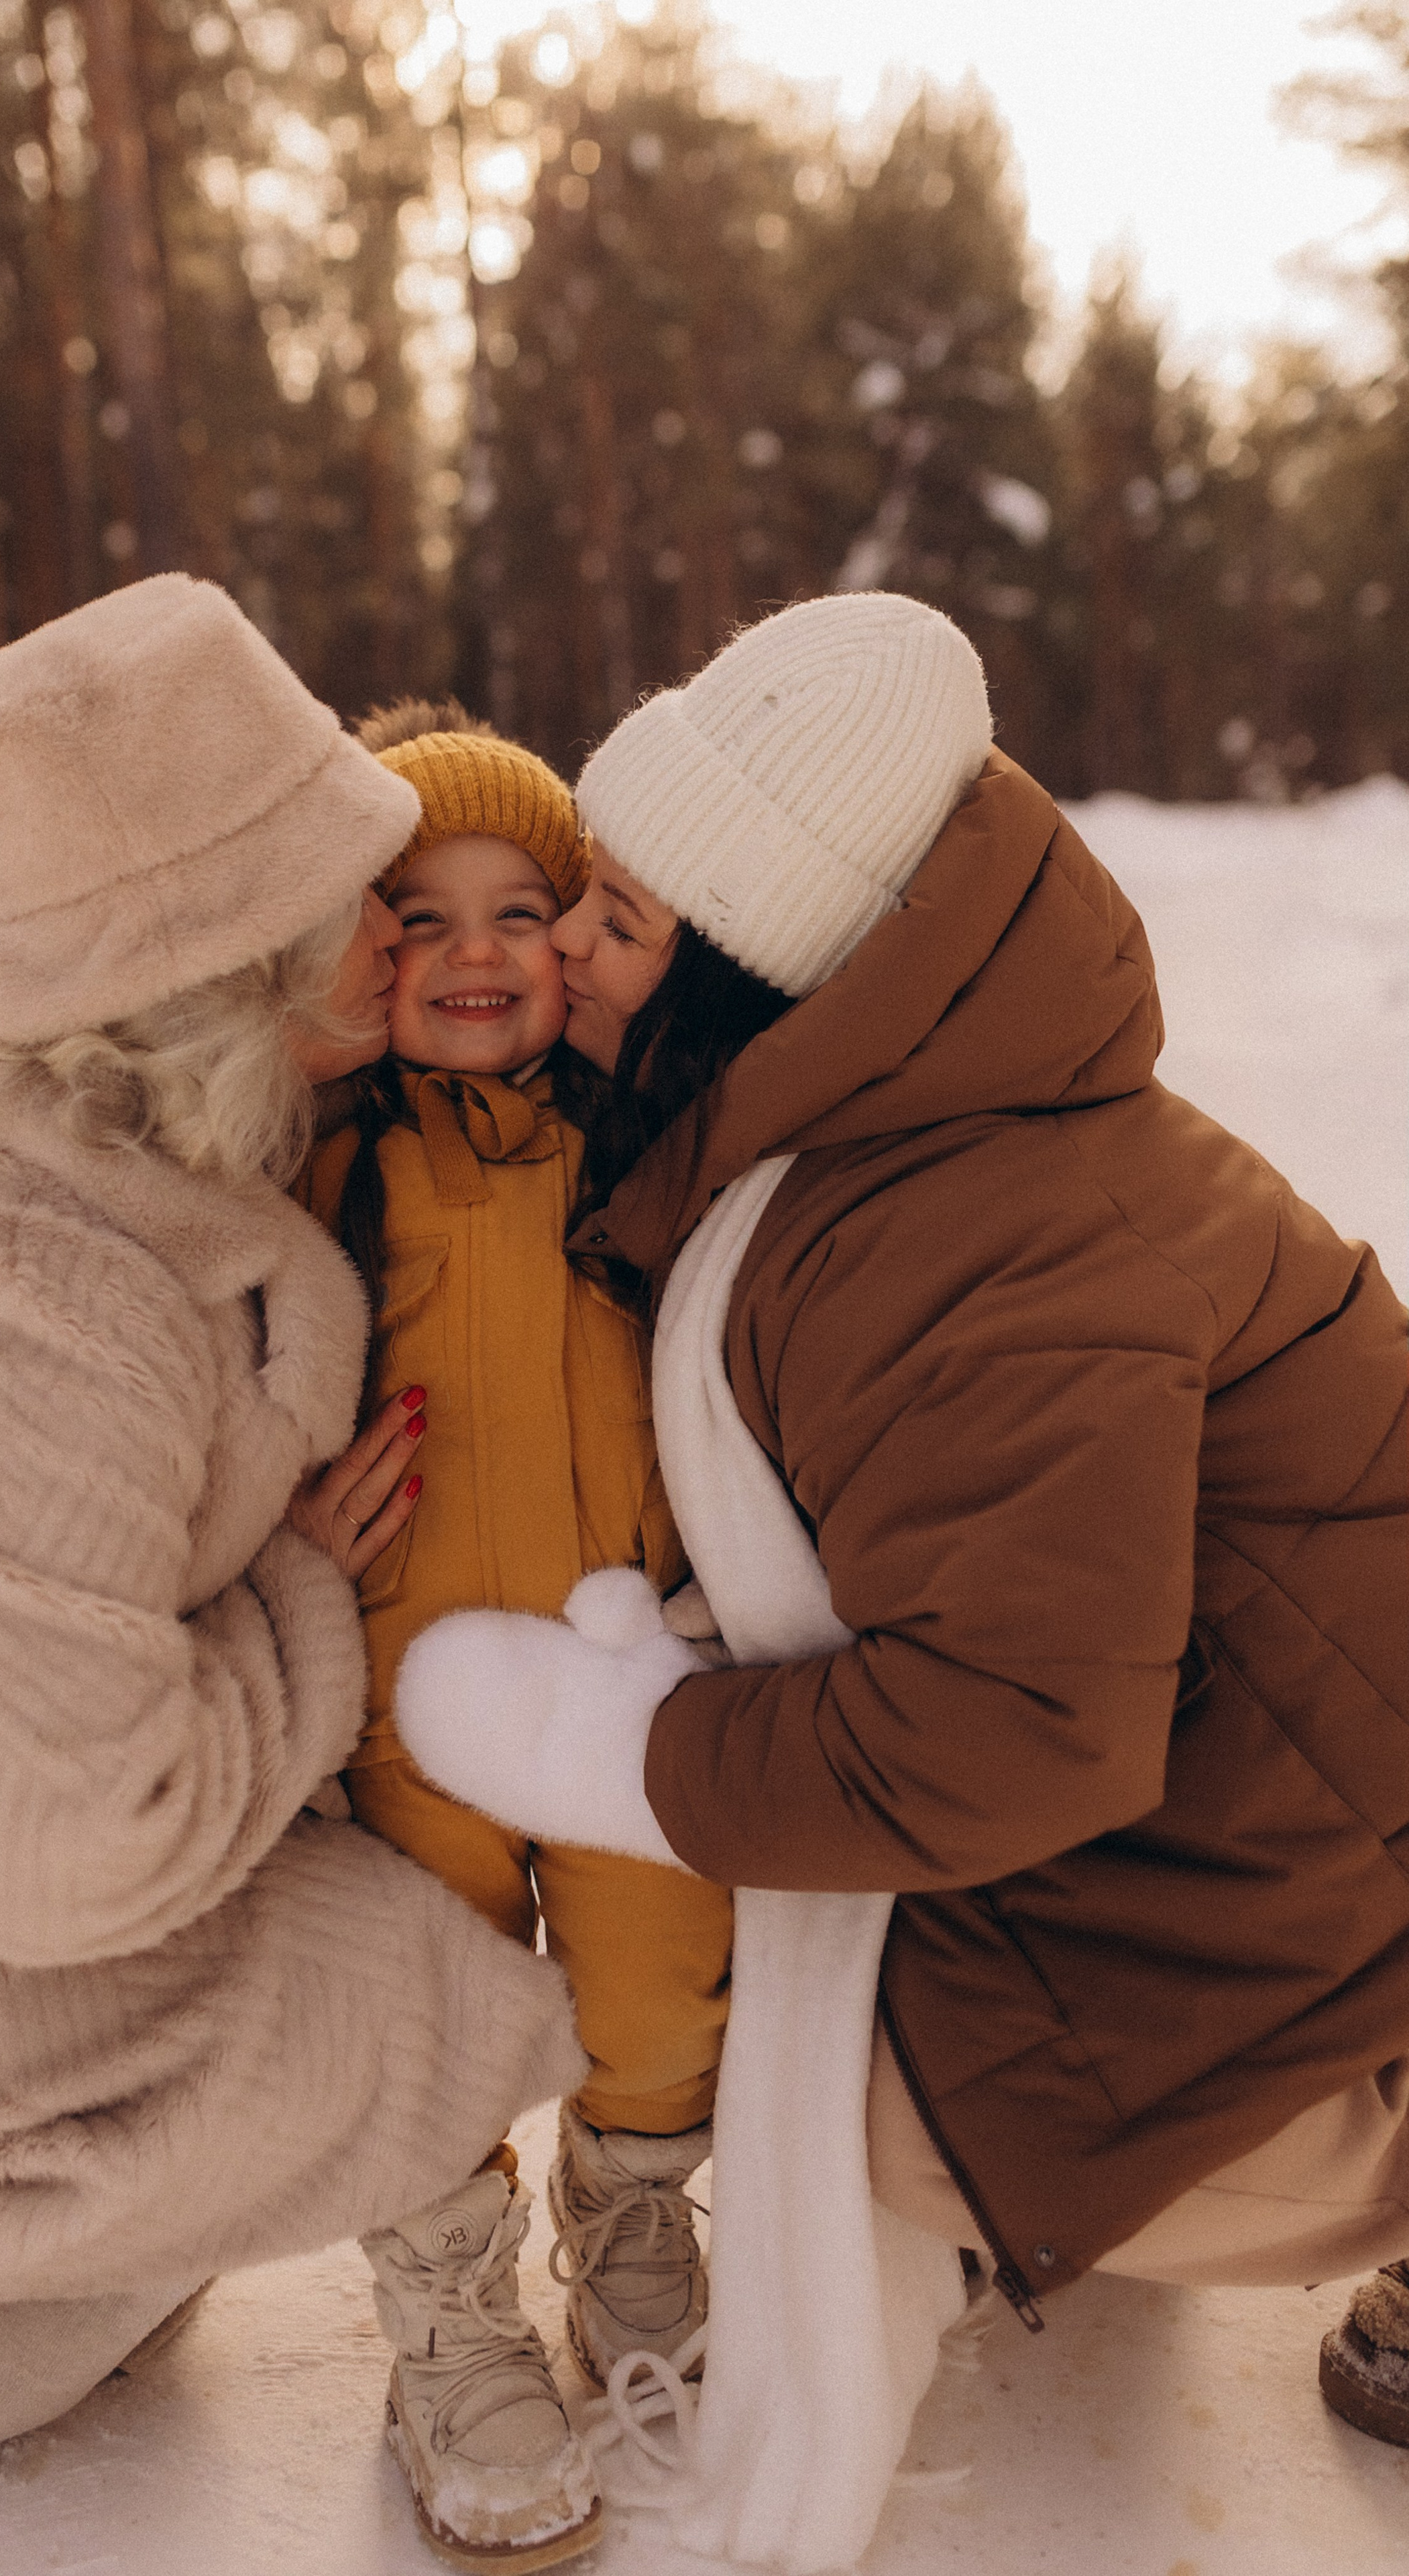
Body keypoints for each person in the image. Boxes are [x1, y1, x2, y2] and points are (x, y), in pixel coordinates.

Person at [394, 594, 1409, 2448]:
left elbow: (1009, 1728)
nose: (569, 959)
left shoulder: (981, 1251)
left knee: (831, 2092)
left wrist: (629, 1743)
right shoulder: (911, 1122)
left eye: (616, 922)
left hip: (1312, 1888)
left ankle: (1366, 2144)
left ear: (766, 969)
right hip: (1265, 1788)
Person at [0, 576, 583, 2522]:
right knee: (381, 1989)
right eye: (357, 883)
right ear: (231, 962)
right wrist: (300, 1604)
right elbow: (69, 1849)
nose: (403, 907)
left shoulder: (126, 1145)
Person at [298, 703, 732, 2570]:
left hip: (623, 1682)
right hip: (406, 1700)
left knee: (657, 1984)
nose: (475, 955)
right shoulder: (333, 1171)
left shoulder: (646, 1148)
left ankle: (633, 2222)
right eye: (422, 915)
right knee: (426, 2009)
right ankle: (452, 2318)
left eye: (519, 910)